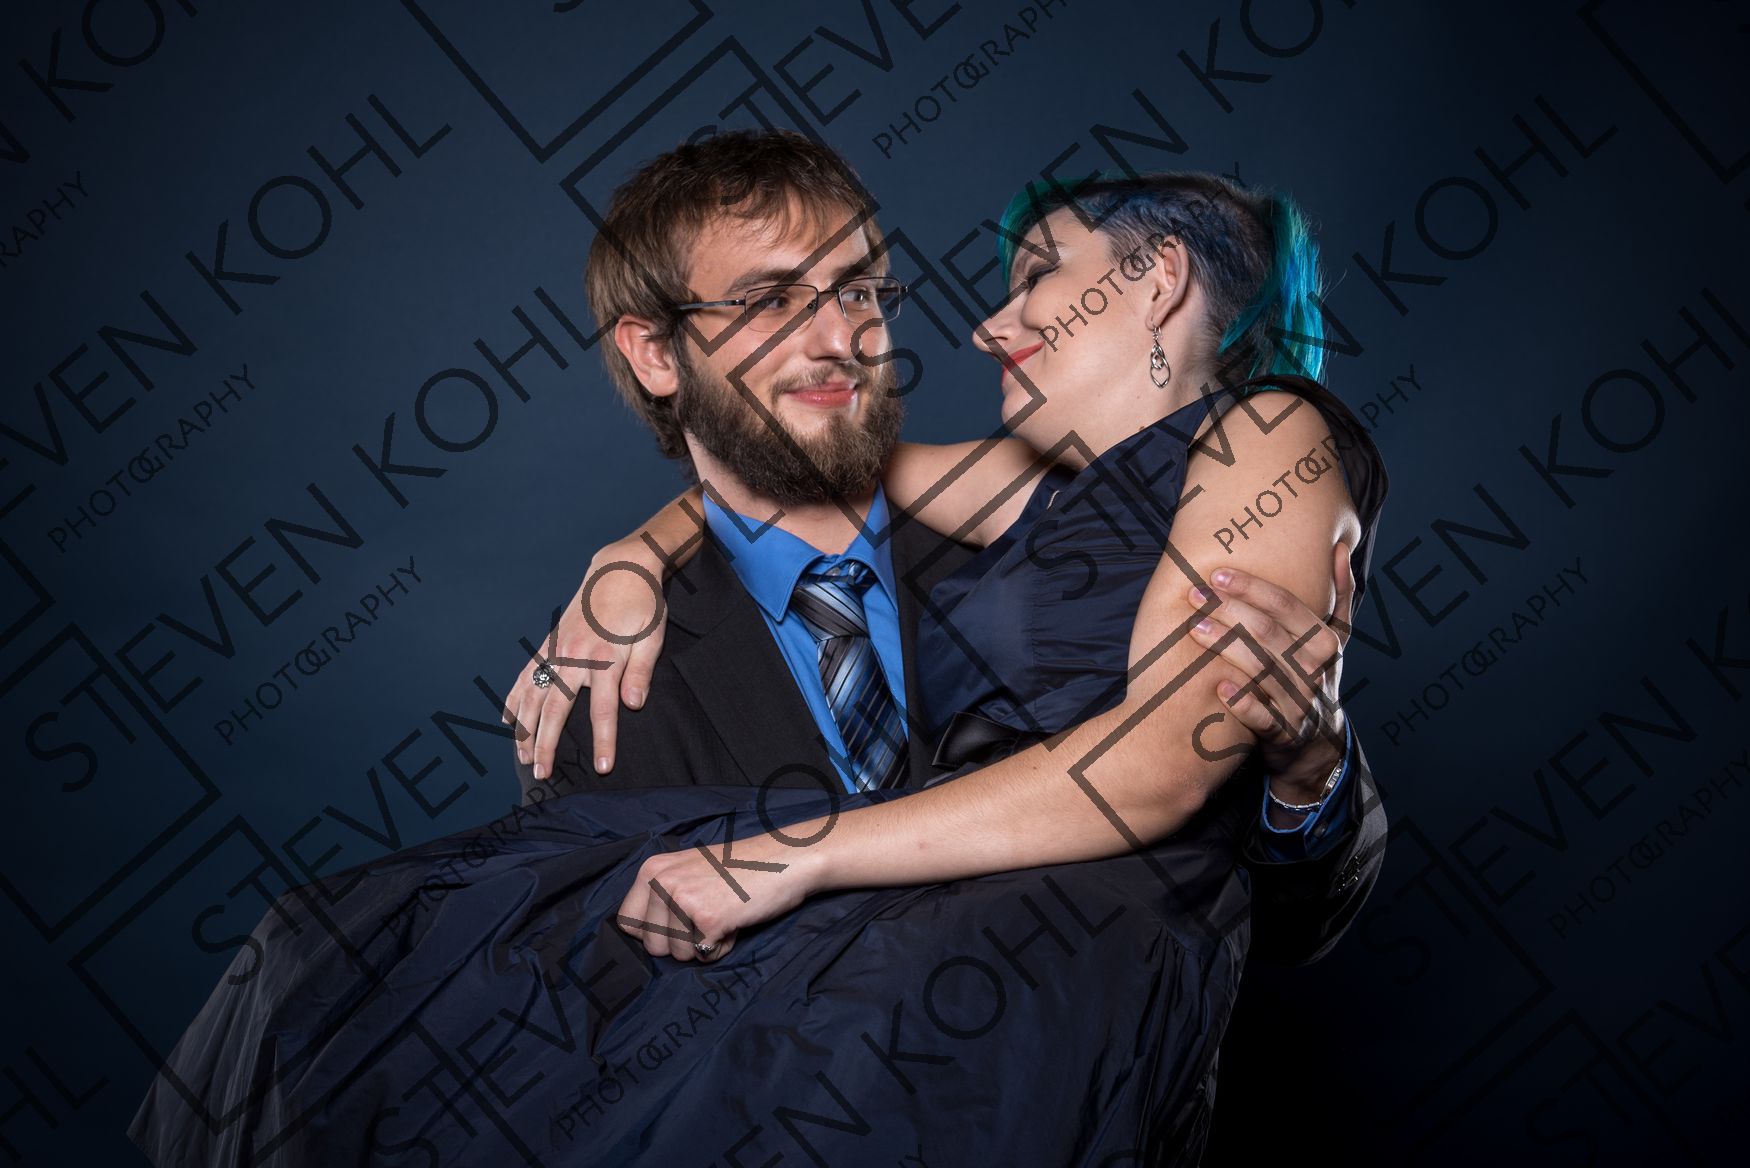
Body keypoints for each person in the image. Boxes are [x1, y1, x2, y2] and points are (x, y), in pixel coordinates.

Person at [128, 131, 1388, 1167]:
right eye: (773, 301)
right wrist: (637, 553)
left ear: (1155, 282)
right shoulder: (607, 687)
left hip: (1056, 1034)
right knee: (370, 974)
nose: (857, 333)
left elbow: (1200, 811)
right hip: (793, 1089)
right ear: (654, 352)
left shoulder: (1223, 457)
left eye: (858, 293)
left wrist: (1309, 774)